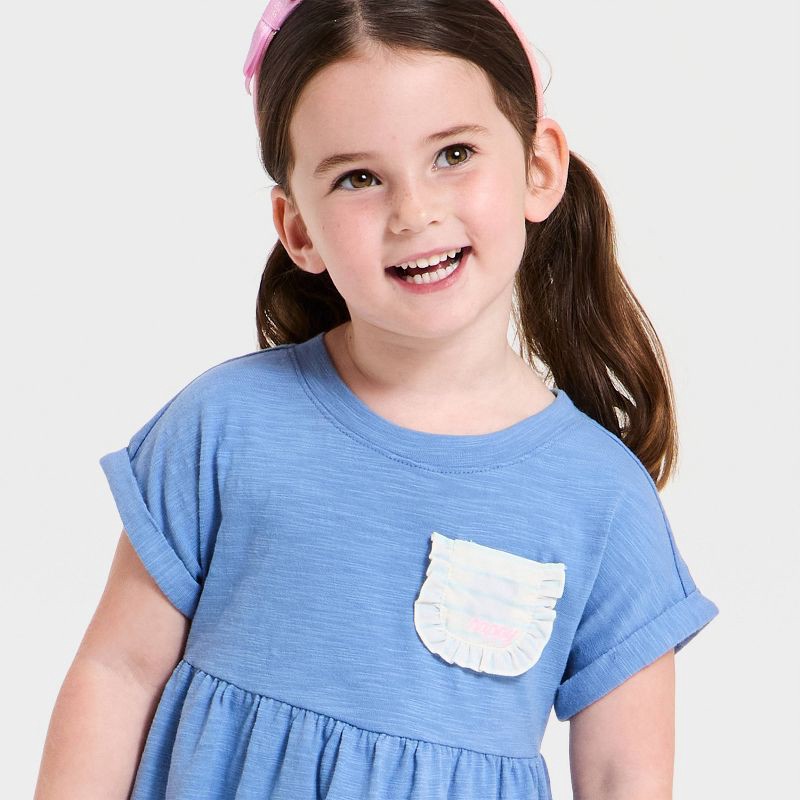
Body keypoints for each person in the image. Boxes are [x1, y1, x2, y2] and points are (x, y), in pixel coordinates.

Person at [34, 1, 720, 798]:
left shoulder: (603, 499)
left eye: (454, 154)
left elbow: (622, 777)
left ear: (538, 169)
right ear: (298, 228)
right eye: (358, 177)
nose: (414, 212)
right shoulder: (226, 424)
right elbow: (117, 673)